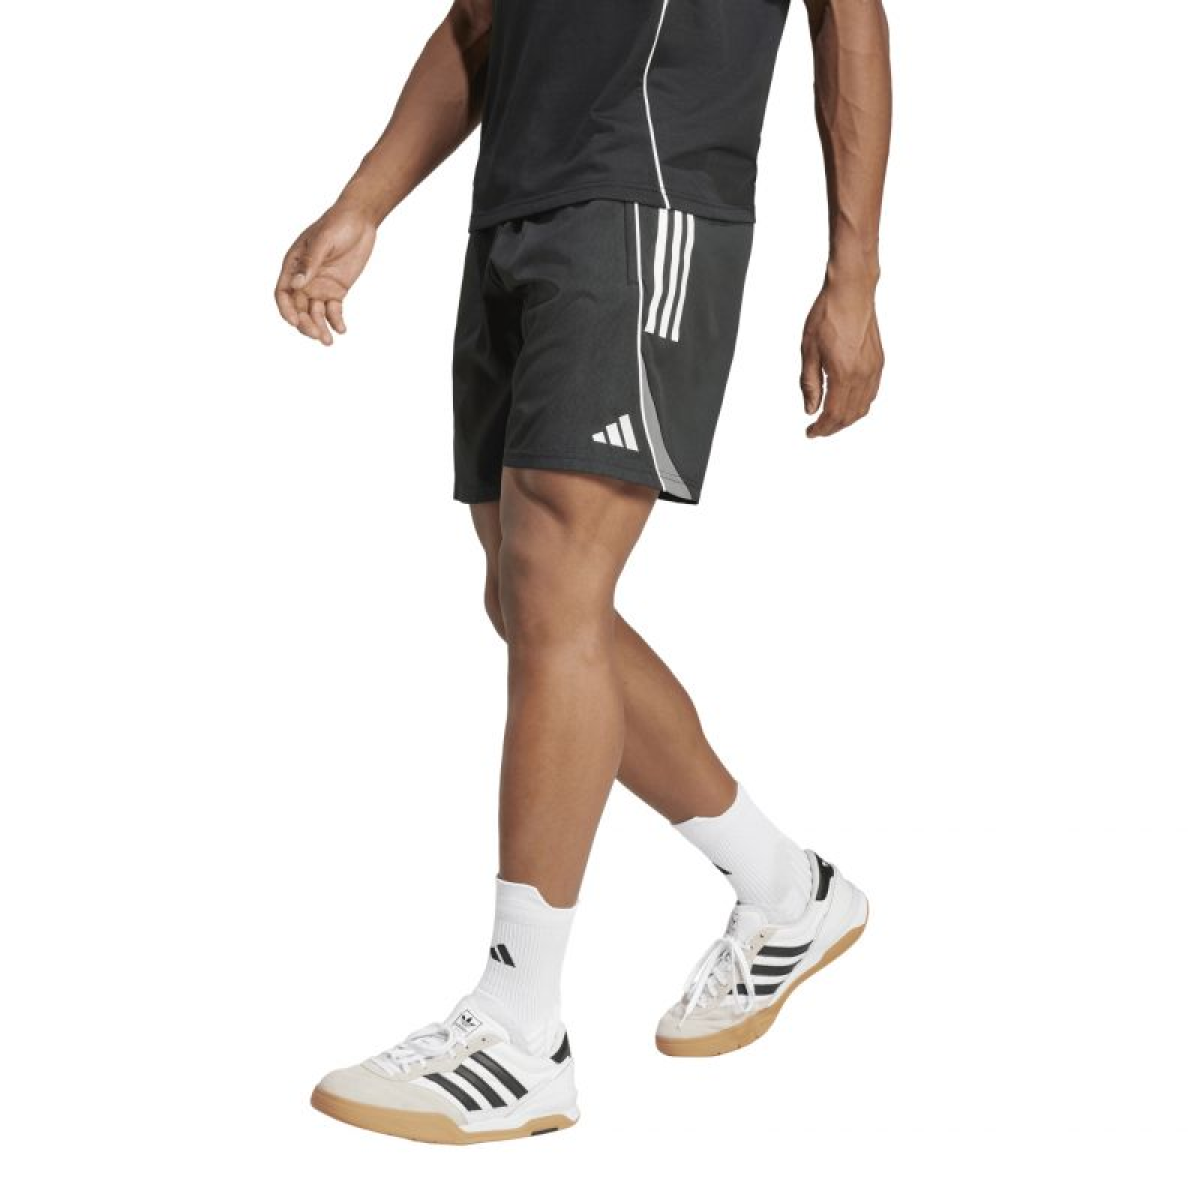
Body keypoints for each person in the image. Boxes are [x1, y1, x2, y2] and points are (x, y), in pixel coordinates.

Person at [275, 0, 891, 1145]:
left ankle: (520, 1032)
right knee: (523, 592)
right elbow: (479, 21)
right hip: (514, 203)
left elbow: (849, 18)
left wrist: (852, 272)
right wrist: (364, 203)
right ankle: (787, 890)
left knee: (555, 581)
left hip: (650, 194)